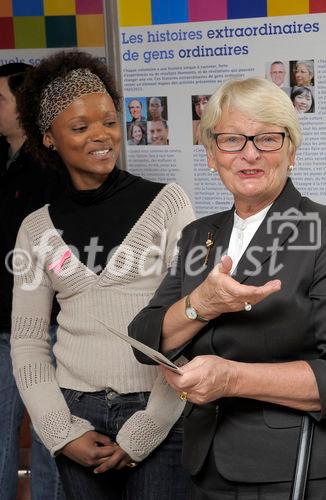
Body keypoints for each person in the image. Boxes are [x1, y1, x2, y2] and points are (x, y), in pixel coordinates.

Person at [129, 77, 326, 499]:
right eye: (232, 139)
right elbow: (144, 335)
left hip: (291, 471)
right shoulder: (201, 233)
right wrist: (202, 303)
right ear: (211, 155)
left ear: (291, 151)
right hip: (204, 464)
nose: (249, 154)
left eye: (268, 139)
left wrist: (231, 378)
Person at [11, 50, 194, 500]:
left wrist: (147, 429)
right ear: (48, 137)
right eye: (80, 127)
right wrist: (60, 431)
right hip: (77, 416)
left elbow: (192, 324)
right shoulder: (36, 230)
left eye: (109, 121)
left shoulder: (168, 205)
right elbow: (29, 342)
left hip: (160, 413)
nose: (102, 136)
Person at [0, 62, 65, 500]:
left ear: (23, 107)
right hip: (2, 328)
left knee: (50, 438)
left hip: (51, 328)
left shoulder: (55, 169)